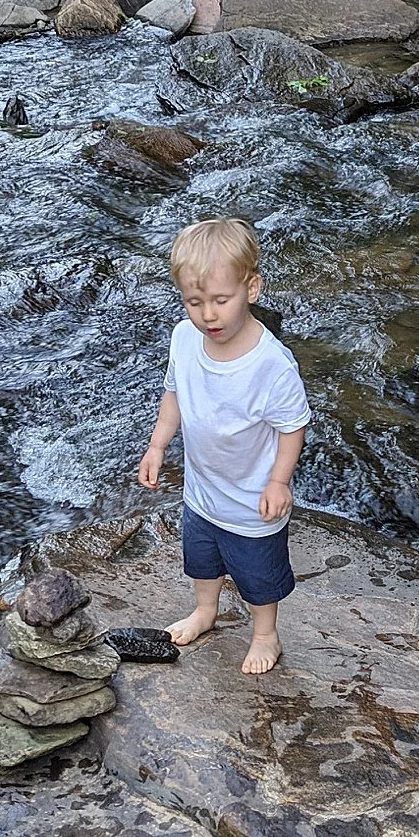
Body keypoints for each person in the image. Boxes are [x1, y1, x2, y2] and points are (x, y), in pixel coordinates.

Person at [138, 218, 310, 676]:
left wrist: (279, 481)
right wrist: (158, 446)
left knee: (258, 576)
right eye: (194, 302)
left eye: (220, 300)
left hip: (252, 501)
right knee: (201, 558)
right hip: (202, 489)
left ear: (251, 288)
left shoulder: (271, 365)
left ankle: (265, 635)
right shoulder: (184, 339)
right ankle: (205, 611)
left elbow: (293, 427)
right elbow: (174, 393)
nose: (207, 315)